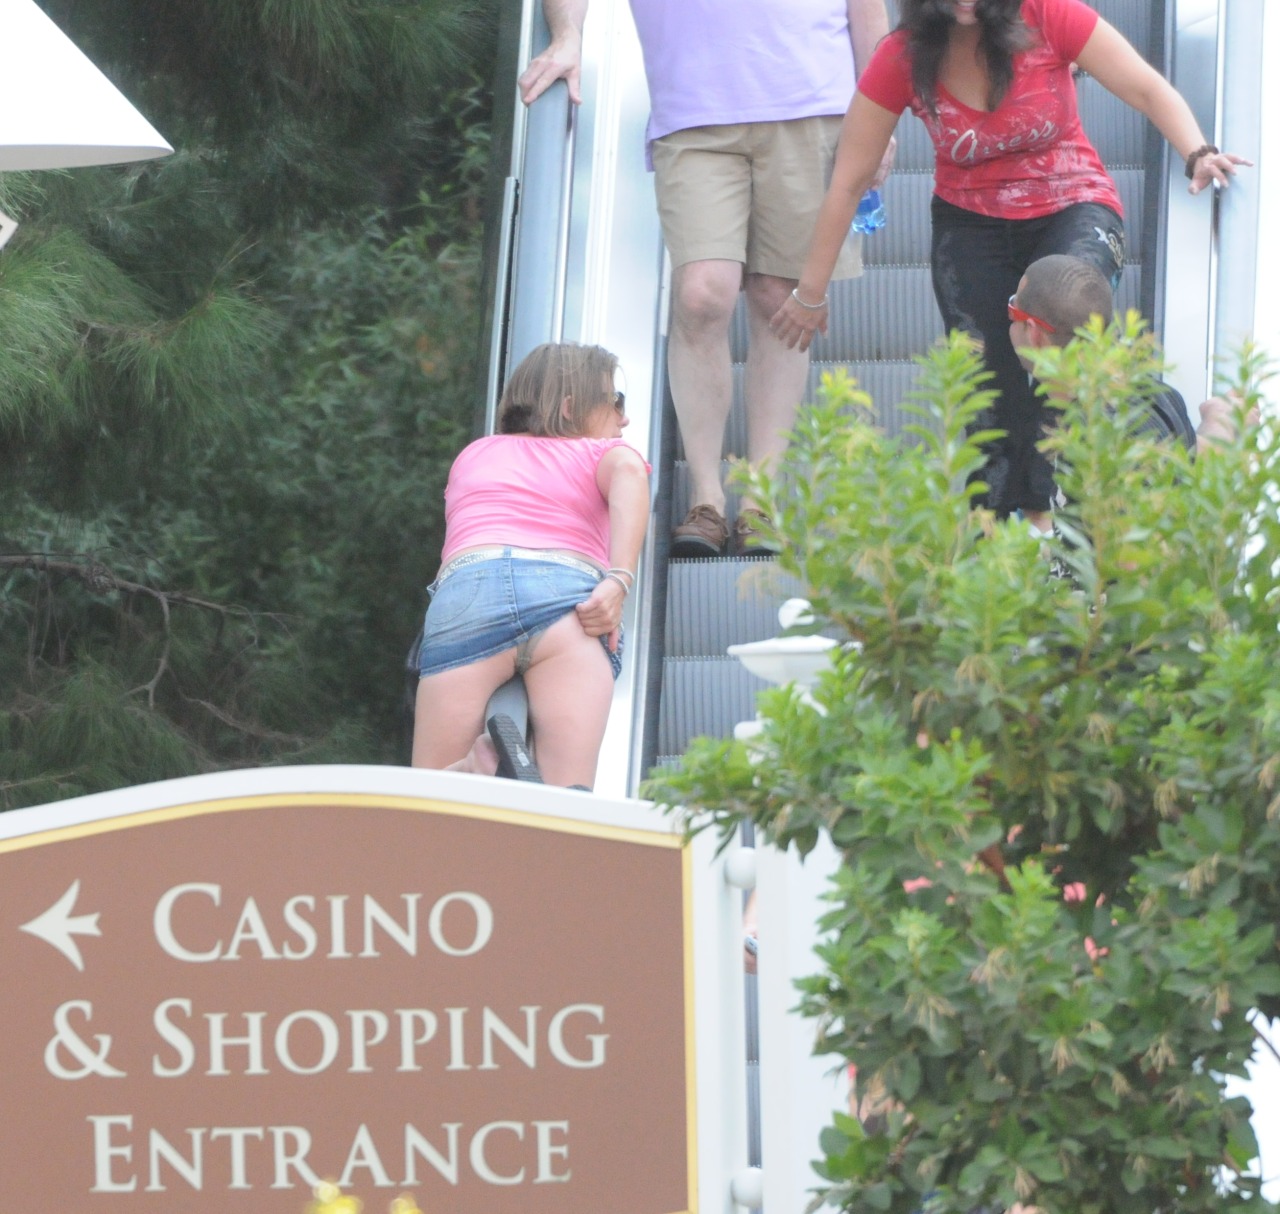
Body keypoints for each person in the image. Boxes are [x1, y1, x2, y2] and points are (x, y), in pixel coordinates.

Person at [770, 0, 1250, 521]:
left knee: (1059, 338)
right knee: (988, 387)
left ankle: (1095, 498)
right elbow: (848, 178)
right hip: (971, 223)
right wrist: (809, 293)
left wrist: (1198, 152)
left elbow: (1145, 87)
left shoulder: (1049, 16)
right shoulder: (904, 56)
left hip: (1073, 203)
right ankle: (1003, 547)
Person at [519, 0, 894, 558]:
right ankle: (705, 497)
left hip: (814, 102)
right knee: (701, 294)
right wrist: (567, 33)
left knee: (780, 298)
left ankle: (760, 500)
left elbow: (865, 10)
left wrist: (877, 117)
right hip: (692, 111)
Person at [411, 342, 650, 789]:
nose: (624, 418)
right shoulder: (597, 454)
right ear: (570, 406)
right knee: (566, 806)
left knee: (431, 802)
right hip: (565, 603)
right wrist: (619, 577)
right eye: (615, 402)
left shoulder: (476, 453)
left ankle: (466, 771)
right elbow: (631, 475)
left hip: (470, 596)